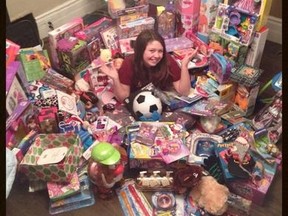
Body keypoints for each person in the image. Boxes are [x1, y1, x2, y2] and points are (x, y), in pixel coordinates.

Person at [99, 29, 198, 102]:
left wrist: (184, 66)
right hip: (139, 102)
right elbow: (123, 98)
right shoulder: (129, 63)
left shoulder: (167, 59)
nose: (157, 55)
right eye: (152, 51)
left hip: (161, 101)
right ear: (141, 50)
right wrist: (115, 79)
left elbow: (184, 92)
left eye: (160, 51)